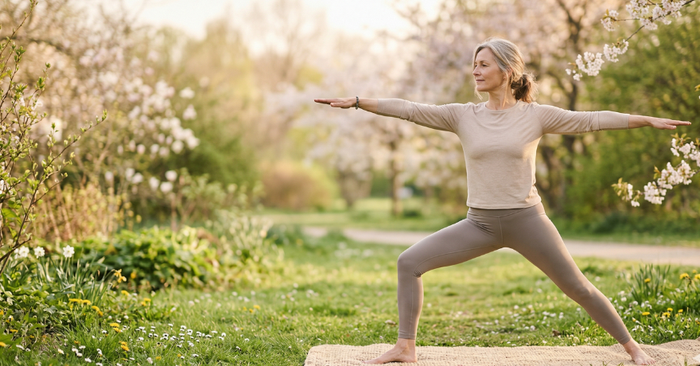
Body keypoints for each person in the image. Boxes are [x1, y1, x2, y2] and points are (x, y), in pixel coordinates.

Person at [314, 38, 690, 366]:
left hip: (527, 221)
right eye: (474, 64)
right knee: (409, 262)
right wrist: (360, 102)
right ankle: (405, 347)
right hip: (478, 224)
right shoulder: (463, 115)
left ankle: (633, 347)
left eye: (483, 64)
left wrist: (644, 120)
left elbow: (590, 119)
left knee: (578, 288)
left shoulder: (535, 115)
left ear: (507, 70)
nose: (475, 71)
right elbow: (411, 109)